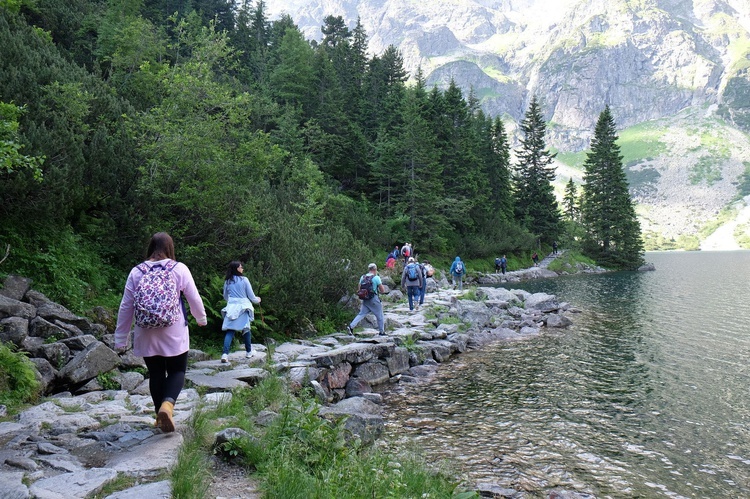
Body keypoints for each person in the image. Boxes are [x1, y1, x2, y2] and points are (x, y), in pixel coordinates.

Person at [114, 232, 207, 433]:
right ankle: (168, 405)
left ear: (150, 248)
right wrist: (201, 318)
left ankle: (159, 416)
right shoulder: (178, 268)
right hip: (173, 328)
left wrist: (120, 338)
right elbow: (194, 298)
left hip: (145, 330)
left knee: (156, 372)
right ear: (170, 248)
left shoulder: (136, 272)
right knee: (177, 370)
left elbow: (125, 307)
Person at [220, 261, 261, 363]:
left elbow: (225, 296)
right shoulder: (244, 280)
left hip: (231, 308)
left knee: (230, 331)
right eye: (241, 267)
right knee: (246, 329)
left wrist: (232, 300)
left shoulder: (227, 281)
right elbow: (251, 296)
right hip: (243, 307)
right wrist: (257, 300)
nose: (242, 268)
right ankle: (248, 352)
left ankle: (225, 354)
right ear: (237, 269)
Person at [348, 263, 386, 335]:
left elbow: (359, 289)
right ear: (375, 269)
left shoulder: (363, 277)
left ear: (369, 269)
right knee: (379, 316)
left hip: (365, 299)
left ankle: (351, 326)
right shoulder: (376, 277)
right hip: (374, 299)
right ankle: (382, 332)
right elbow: (382, 290)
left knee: (361, 314)